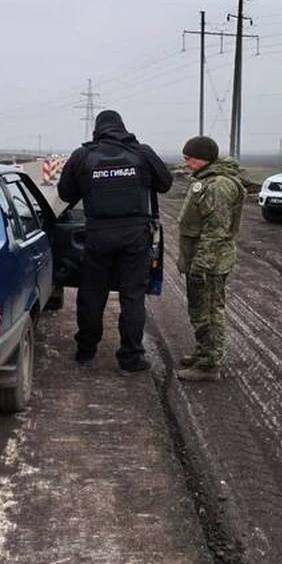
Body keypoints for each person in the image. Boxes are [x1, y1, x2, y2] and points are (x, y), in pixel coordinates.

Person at [57, 110, 173, 373]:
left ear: (97, 129)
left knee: (91, 294)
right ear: (122, 126)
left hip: (98, 233)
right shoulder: (142, 153)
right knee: (132, 296)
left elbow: (65, 193)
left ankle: (86, 352)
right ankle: (131, 357)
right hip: (135, 234)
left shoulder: (83, 155)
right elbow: (165, 183)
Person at [175, 136, 246, 382]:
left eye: (188, 158)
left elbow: (216, 231)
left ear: (202, 158)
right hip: (202, 259)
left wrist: (201, 265)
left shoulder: (217, 185)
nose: (185, 162)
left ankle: (209, 365)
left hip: (210, 262)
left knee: (209, 312)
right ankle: (203, 351)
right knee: (198, 309)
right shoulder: (206, 180)